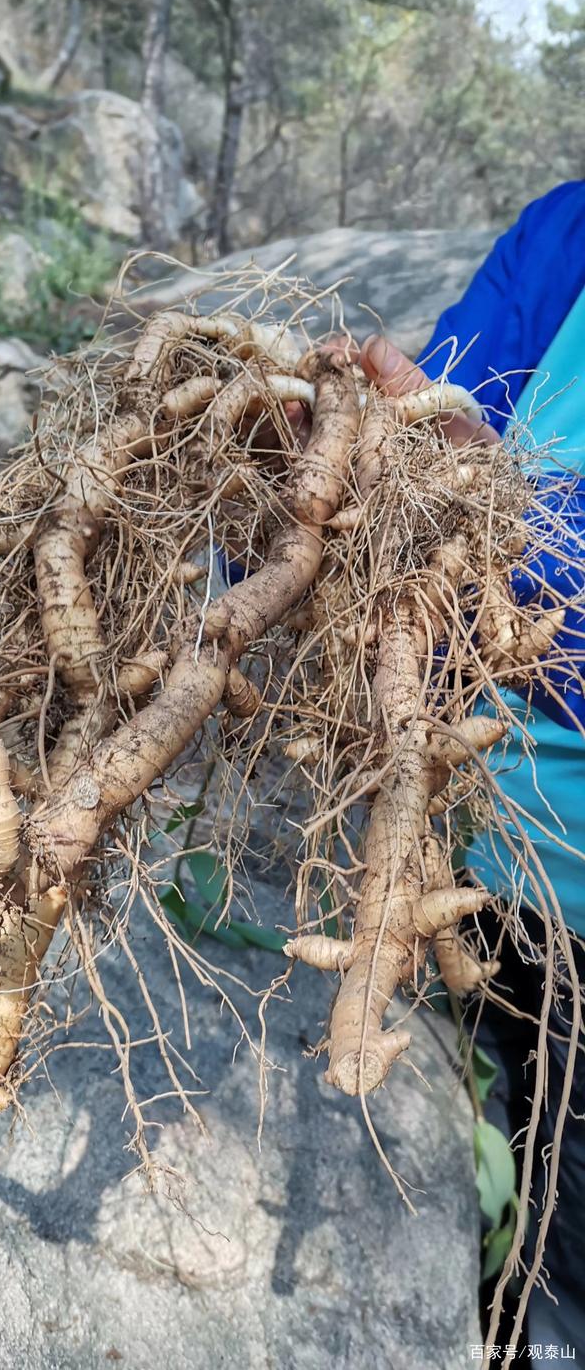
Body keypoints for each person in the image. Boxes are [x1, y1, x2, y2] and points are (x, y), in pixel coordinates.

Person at [355, 179, 585, 1359]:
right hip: (463, 854)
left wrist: (510, 530)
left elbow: (482, 499)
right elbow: (441, 418)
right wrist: (328, 477)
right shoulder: (565, 231)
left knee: (561, 1261)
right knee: (483, 1217)